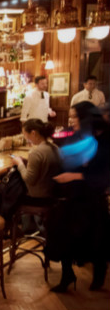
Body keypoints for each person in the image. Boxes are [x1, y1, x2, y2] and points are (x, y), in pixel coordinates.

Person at [47, 102, 110, 292]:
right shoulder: (77, 135)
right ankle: (67, 275)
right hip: (73, 195)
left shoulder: (104, 140)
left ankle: (99, 275)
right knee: (62, 234)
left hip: (92, 197)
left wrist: (74, 175)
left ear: (85, 118)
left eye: (74, 116)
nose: (71, 120)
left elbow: (103, 177)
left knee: (95, 239)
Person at [10, 119, 61, 233]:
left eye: (25, 134)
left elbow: (29, 180)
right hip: (53, 194)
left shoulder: (36, 152)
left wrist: (19, 163)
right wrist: (27, 162)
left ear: (33, 133)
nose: (26, 138)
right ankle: (28, 227)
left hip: (38, 198)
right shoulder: (55, 147)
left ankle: (14, 229)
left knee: (8, 194)